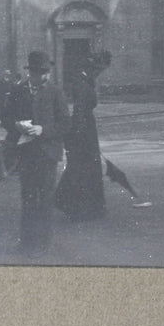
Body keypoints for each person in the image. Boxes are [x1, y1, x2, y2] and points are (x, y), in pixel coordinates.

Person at [0, 51, 71, 258]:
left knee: (45, 199)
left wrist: (43, 130)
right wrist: (16, 125)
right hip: (26, 152)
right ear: (30, 73)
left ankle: (43, 244)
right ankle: (27, 242)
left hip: (48, 153)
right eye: (41, 73)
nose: (45, 76)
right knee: (28, 197)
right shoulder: (18, 91)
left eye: (47, 72)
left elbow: (66, 123)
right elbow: (5, 117)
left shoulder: (56, 92)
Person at [54, 51, 111, 222]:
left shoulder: (86, 80)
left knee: (86, 167)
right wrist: (77, 135)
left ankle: (84, 207)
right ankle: (78, 207)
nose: (99, 73)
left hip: (86, 127)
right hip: (83, 130)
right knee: (83, 167)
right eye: (99, 70)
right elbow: (78, 109)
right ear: (93, 67)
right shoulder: (81, 82)